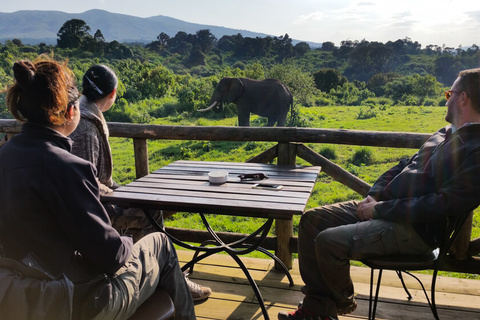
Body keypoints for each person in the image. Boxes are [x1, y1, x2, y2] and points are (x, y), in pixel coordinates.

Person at [0, 56, 196, 320]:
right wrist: (128, 241)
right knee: (160, 244)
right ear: (71, 111)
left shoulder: (5, 156)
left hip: (16, 296)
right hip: (72, 303)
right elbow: (110, 256)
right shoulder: (68, 168)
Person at [278, 68, 480, 320]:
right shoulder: (443, 133)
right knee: (311, 221)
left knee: (329, 241)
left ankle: (336, 304)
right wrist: (374, 195)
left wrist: (380, 210)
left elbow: (445, 203)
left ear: (463, 98)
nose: (446, 98)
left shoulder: (476, 148)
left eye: (449, 93)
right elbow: (401, 166)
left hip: (416, 231)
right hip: (387, 208)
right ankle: (319, 309)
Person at [69, 64, 211, 302]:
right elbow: (86, 182)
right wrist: (122, 196)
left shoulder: (85, 111)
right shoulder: (85, 125)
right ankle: (171, 280)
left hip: (102, 199)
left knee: (147, 206)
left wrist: (123, 192)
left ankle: (150, 274)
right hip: (94, 210)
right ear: (113, 94)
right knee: (150, 211)